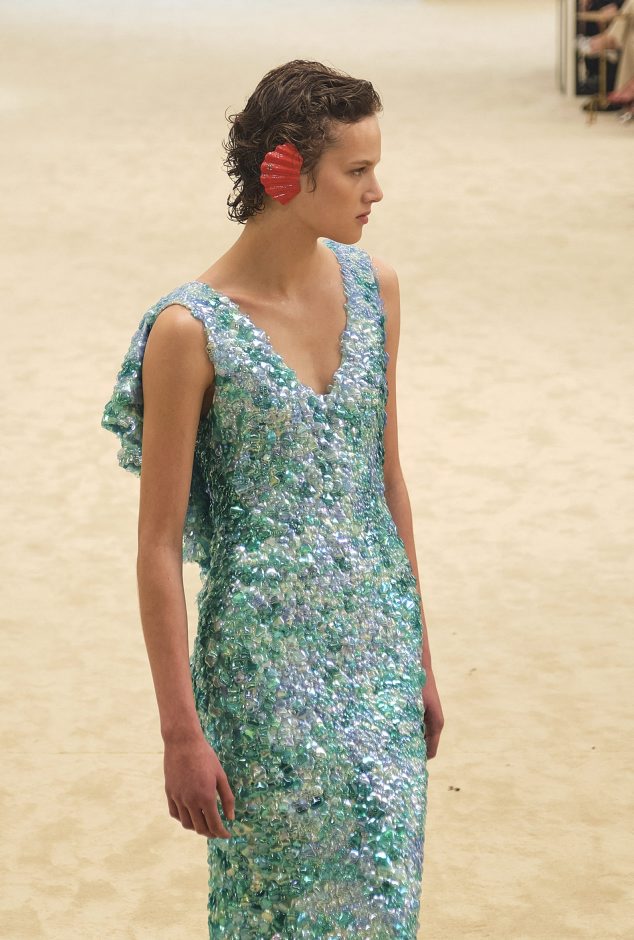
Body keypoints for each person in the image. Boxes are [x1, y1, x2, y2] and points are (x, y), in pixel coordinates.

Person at [101, 59, 444, 938]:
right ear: (285, 171)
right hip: (263, 680)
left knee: (383, 905)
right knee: (278, 913)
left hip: (378, 658)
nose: (377, 192)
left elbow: (387, 481)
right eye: (357, 171)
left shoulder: (376, 291)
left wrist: (421, 656)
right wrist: (180, 733)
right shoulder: (188, 332)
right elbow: (157, 546)